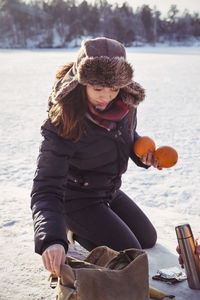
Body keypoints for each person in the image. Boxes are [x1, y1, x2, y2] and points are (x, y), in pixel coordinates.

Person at [31, 37, 162, 278]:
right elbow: (45, 188)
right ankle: (71, 229)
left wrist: (141, 153)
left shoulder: (125, 103)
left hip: (108, 190)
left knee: (147, 239)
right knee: (130, 253)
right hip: (75, 197)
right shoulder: (64, 118)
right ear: (83, 82)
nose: (107, 96)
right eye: (98, 89)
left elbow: (123, 137)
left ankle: (91, 223)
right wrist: (51, 238)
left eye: (113, 88)